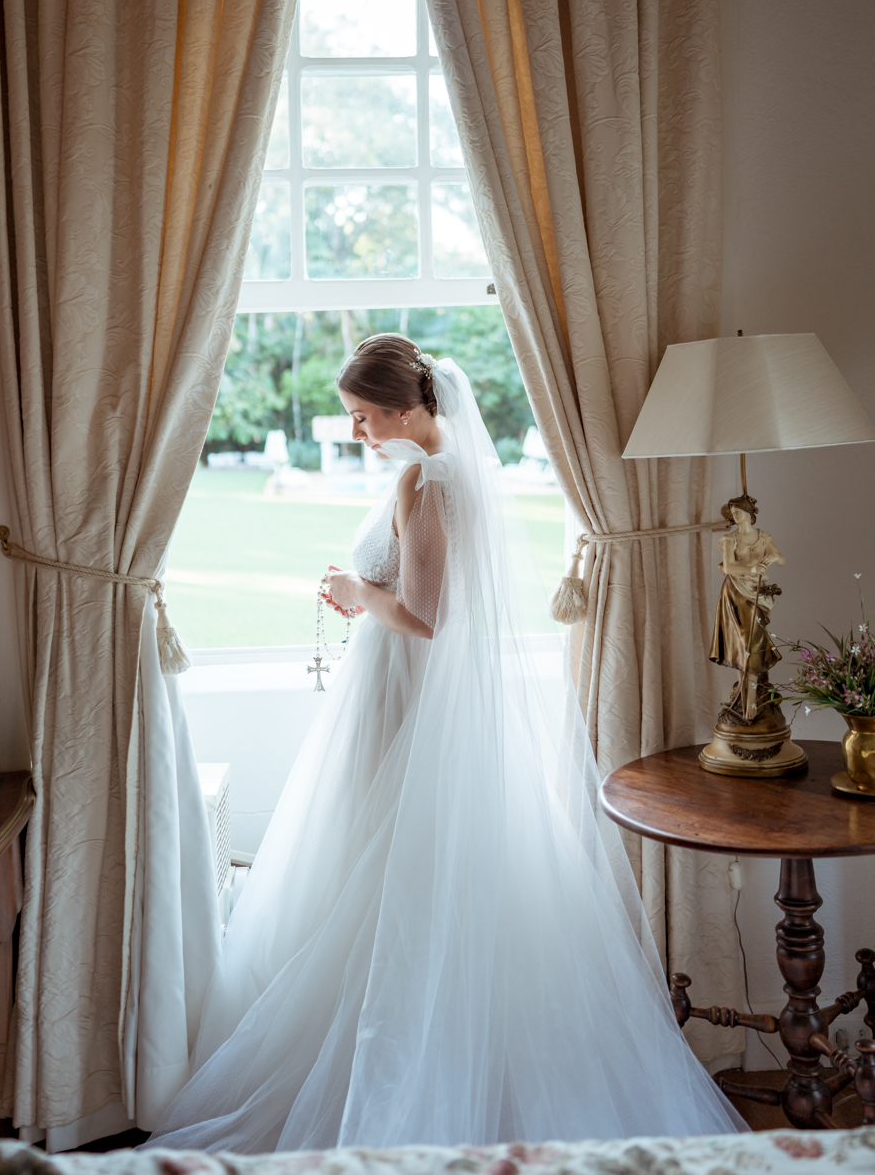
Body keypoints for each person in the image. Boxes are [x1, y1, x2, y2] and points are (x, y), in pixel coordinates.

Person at [149, 336, 745, 1152]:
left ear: (403, 408)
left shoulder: (425, 479)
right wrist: (370, 594)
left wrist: (355, 588)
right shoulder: (456, 470)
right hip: (413, 692)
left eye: (362, 417)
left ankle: (382, 1064)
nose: (357, 431)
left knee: (383, 871)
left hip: (405, 701)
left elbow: (428, 618)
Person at [711, 495, 785, 722]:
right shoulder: (729, 539)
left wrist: (770, 559)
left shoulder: (763, 537)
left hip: (758, 594)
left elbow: (781, 558)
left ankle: (749, 689)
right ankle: (749, 695)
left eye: (738, 511)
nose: (735, 515)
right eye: (732, 512)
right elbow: (730, 567)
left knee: (755, 640)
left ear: (749, 514)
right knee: (743, 641)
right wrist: (753, 568)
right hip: (736, 593)